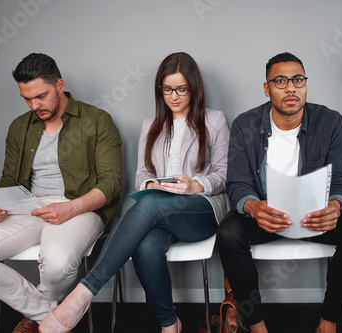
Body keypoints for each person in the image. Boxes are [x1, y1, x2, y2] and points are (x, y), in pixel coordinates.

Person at [39, 52, 230, 333]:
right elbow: (142, 174)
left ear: (194, 88)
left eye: (181, 89)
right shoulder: (150, 125)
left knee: (151, 204)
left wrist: (194, 185)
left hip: (200, 210)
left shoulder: (214, 120)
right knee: (145, 245)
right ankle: (169, 324)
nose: (173, 96)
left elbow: (224, 175)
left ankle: (83, 292)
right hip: (159, 211)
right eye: (167, 89)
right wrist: (150, 185)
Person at [217, 52, 342, 333]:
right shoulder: (245, 125)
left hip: (315, 216)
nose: (291, 88)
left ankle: (328, 321)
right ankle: (257, 325)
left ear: (305, 84)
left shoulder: (330, 121)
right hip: (266, 215)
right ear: (267, 88)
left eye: (298, 79)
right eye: (280, 81)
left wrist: (336, 206)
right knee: (228, 234)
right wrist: (254, 207)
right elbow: (237, 183)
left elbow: (341, 181)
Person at [0, 53, 122, 333]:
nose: (35, 105)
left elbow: (112, 183)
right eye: (26, 98)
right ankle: (50, 316)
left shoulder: (97, 120)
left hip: (79, 208)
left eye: (41, 96)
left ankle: (38, 318)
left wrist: (70, 208)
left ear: (59, 84)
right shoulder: (19, 127)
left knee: (57, 264)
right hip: (28, 209)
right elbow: (9, 181)